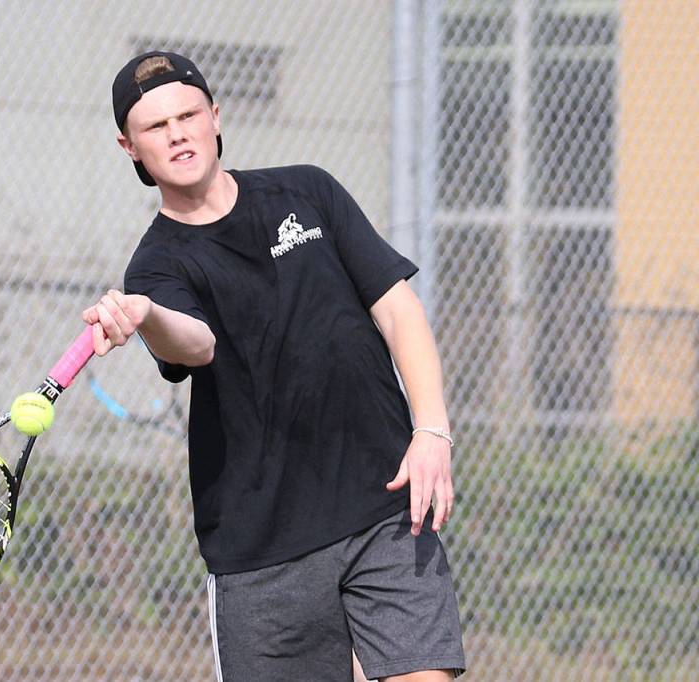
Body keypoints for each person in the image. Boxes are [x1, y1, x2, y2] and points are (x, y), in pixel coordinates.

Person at [83, 51, 466, 682]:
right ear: (130, 147)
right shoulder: (156, 269)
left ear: (215, 116)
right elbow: (195, 344)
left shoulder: (308, 191)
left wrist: (432, 431)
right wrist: (146, 312)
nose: (178, 133)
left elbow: (399, 310)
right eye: (156, 127)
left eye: (188, 114)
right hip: (263, 551)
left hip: (385, 505)